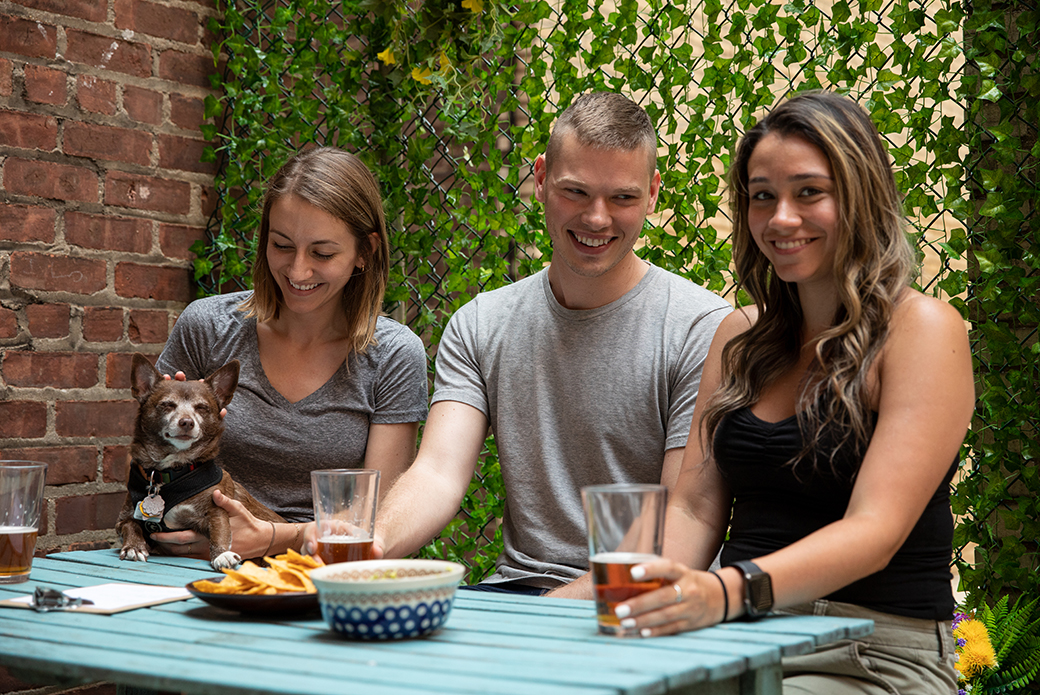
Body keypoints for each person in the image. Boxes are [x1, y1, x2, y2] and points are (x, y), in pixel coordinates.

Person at [611, 91, 973, 693]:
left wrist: (725, 590)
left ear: (860, 195)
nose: (780, 218)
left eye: (809, 192)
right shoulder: (740, 337)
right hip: (739, 638)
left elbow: (875, 531)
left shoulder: (923, 332)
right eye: (762, 197)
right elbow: (694, 508)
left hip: (871, 653)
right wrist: (633, 596)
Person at [365, 92, 732, 597]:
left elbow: (677, 528)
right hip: (516, 589)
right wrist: (371, 545)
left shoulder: (703, 329)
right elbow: (436, 474)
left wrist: (541, 619)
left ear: (651, 194)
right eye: (575, 192)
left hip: (645, 600)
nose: (597, 218)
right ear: (540, 179)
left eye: (622, 198)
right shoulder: (480, 323)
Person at [150, 146, 429, 561]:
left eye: (322, 253)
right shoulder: (207, 327)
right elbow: (150, 470)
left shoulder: (392, 356)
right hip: (187, 566)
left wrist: (266, 538)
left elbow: (373, 527)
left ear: (364, 252)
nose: (298, 271)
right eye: (282, 245)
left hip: (322, 572)